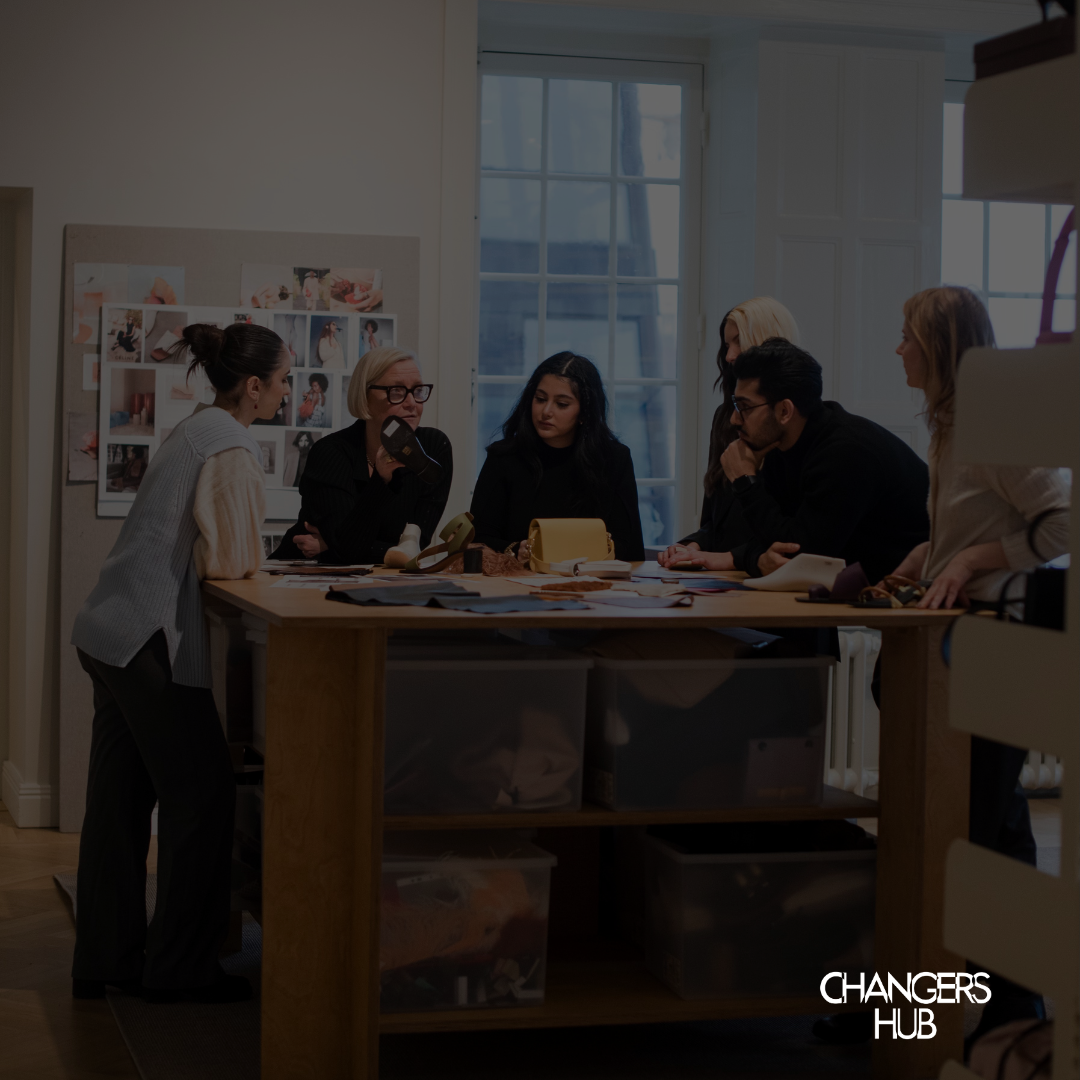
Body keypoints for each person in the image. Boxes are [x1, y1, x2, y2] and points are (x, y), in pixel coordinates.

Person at [70, 321, 289, 1004]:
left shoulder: (193, 429)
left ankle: (105, 960)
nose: (285, 390)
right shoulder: (231, 444)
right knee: (203, 800)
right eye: (282, 379)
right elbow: (229, 562)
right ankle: (181, 970)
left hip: (107, 632)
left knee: (120, 805)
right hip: (147, 643)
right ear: (254, 386)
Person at [893, 286, 1069, 1041]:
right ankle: (997, 1006)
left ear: (939, 349)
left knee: (993, 829)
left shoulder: (994, 429)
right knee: (985, 825)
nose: (897, 349)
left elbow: (1061, 523)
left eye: (908, 337)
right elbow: (972, 522)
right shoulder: (946, 426)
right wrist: (930, 556)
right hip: (957, 639)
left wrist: (972, 558)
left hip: (1000, 637)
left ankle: (1017, 1008)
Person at [698, 338, 930, 584]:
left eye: (744, 407)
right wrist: (756, 559)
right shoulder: (781, 444)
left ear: (785, 411)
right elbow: (772, 539)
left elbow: (801, 558)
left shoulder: (846, 452)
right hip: (868, 589)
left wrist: (746, 481)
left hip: (925, 592)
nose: (734, 419)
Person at [272, 346, 452, 563]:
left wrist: (330, 544)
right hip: (301, 575)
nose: (412, 403)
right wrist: (381, 480)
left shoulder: (433, 447)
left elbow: (413, 546)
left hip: (378, 580)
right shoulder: (331, 452)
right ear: (365, 397)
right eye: (396, 391)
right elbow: (348, 548)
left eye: (417, 390)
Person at [659, 297, 799, 570]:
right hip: (721, 576)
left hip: (762, 574)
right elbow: (716, 520)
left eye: (739, 341)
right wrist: (691, 546)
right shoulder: (725, 417)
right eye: (726, 344)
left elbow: (787, 532)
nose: (729, 355)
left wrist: (725, 558)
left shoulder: (792, 420)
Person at [470, 352, 645, 562]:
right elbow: (478, 538)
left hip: (594, 581)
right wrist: (516, 549)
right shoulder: (504, 456)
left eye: (562, 404)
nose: (546, 411)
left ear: (584, 413)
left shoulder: (615, 459)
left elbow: (628, 543)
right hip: (519, 581)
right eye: (540, 399)